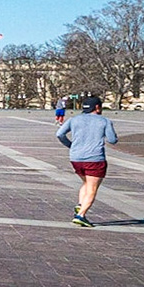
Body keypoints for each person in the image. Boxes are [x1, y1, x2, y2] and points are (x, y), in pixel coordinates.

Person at [57, 95, 118, 227]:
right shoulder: (104, 121)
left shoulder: (74, 119)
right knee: (92, 187)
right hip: (95, 159)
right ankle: (81, 215)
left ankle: (80, 205)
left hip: (76, 158)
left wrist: (71, 145)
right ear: (97, 107)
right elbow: (112, 140)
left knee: (86, 182)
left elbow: (59, 134)